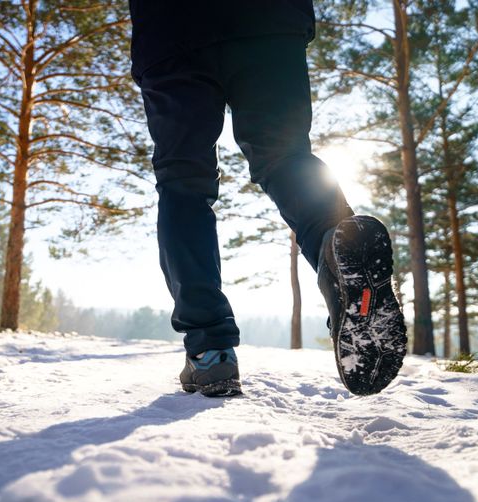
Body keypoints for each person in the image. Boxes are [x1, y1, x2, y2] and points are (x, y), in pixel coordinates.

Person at [129, 0, 407, 398]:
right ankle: (335, 245)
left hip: (170, 30)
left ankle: (211, 351)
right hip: (270, 21)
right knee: (285, 155)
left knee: (182, 183)